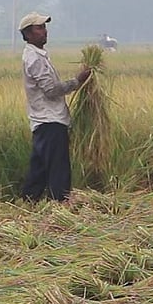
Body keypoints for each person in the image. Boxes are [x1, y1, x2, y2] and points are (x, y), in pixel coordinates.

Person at [17, 12, 91, 202]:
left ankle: (27, 203)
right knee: (58, 167)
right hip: (50, 121)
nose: (44, 32)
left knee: (39, 168)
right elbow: (51, 90)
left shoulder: (37, 55)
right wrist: (77, 81)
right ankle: (61, 204)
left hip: (43, 121)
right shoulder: (35, 59)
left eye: (44, 27)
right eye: (39, 28)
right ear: (28, 34)